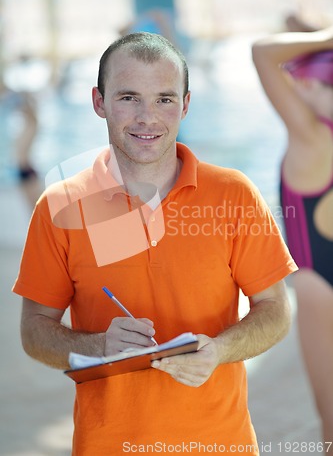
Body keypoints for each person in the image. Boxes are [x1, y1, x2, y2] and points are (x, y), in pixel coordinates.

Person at [13, 32, 297, 455]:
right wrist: (97, 345)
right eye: (129, 97)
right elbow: (34, 331)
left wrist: (219, 350)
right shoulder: (59, 206)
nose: (148, 117)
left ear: (184, 104)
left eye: (164, 99)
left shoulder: (233, 193)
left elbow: (275, 310)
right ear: (98, 101)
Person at [252, 28, 333, 451]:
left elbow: (262, 52)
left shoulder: (311, 138)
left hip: (321, 285)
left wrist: (327, 35)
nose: (298, 87)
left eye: (307, 81)